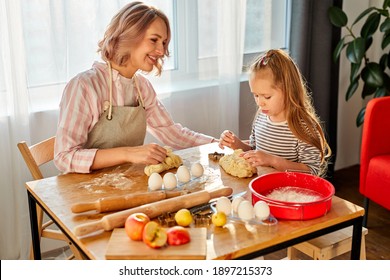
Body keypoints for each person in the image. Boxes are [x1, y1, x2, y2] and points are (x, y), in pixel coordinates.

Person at [54, 2, 215, 174]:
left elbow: (171, 132)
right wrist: (128, 153)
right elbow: (64, 157)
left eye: (164, 42)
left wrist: (217, 144)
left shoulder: (142, 87)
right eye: (154, 40)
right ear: (129, 35)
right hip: (86, 191)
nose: (161, 51)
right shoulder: (85, 86)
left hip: (127, 184)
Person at [219, 49, 331, 176]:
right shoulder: (261, 117)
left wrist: (272, 161)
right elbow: (254, 151)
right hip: (262, 188)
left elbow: (312, 171)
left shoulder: (304, 127)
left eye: (266, 97)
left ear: (289, 90)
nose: (260, 103)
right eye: (256, 95)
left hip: (290, 193)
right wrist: (236, 144)